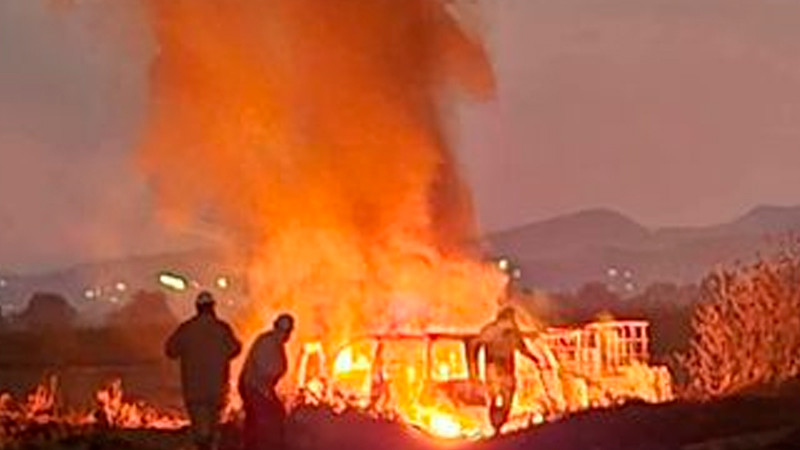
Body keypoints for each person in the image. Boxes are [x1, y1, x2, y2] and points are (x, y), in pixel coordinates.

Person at [165, 291, 242, 450]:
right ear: (213, 307)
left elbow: (170, 351)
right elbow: (235, 349)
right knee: (213, 428)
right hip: (217, 388)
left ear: (197, 308)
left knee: (200, 431)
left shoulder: (186, 328)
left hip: (194, 389)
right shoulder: (222, 329)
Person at [469, 306, 549, 435]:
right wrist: (473, 369)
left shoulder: (511, 333)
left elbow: (522, 349)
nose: (513, 321)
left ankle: (499, 426)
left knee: (505, 398)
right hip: (494, 369)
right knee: (495, 398)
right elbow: (474, 345)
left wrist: (535, 360)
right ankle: (496, 426)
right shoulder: (492, 331)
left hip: (505, 371)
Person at [238, 313, 295, 450]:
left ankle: (251, 445)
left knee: (258, 419)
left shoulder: (275, 342)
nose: (287, 335)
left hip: (257, 386)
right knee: (270, 418)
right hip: (253, 386)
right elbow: (264, 371)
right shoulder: (268, 342)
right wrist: (267, 393)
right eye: (286, 331)